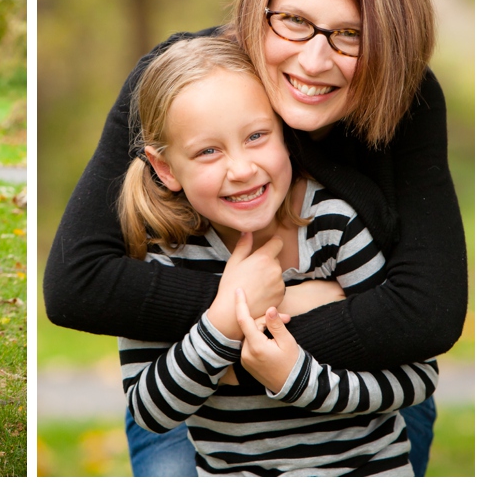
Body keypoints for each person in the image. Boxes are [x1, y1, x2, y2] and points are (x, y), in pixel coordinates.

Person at [43, 0, 467, 477]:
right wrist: (254, 310)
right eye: (293, 20)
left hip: (362, 401)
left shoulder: (401, 109)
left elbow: (428, 317)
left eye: (351, 34)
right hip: (206, 407)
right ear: (257, 9)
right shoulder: (180, 87)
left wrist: (279, 352)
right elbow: (78, 286)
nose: (314, 59)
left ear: (390, 41)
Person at [117, 37, 437, 476]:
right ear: (166, 168)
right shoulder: (164, 252)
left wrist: (297, 379)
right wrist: (223, 324)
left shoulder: (333, 225)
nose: (242, 169)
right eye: (208, 151)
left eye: (256, 136)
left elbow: (417, 377)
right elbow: (149, 411)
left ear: (285, 133)